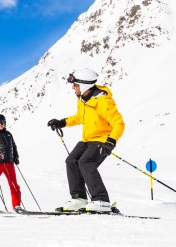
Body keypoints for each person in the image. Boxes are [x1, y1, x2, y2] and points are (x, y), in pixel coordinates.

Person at [47, 68, 125, 213]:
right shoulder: (83, 100)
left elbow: (119, 123)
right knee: (71, 161)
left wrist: (111, 142)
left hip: (102, 139)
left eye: (75, 85)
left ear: (84, 86)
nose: (73, 87)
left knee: (86, 162)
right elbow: (80, 117)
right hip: (87, 139)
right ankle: (79, 199)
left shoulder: (103, 101)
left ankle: (101, 200)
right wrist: (61, 122)